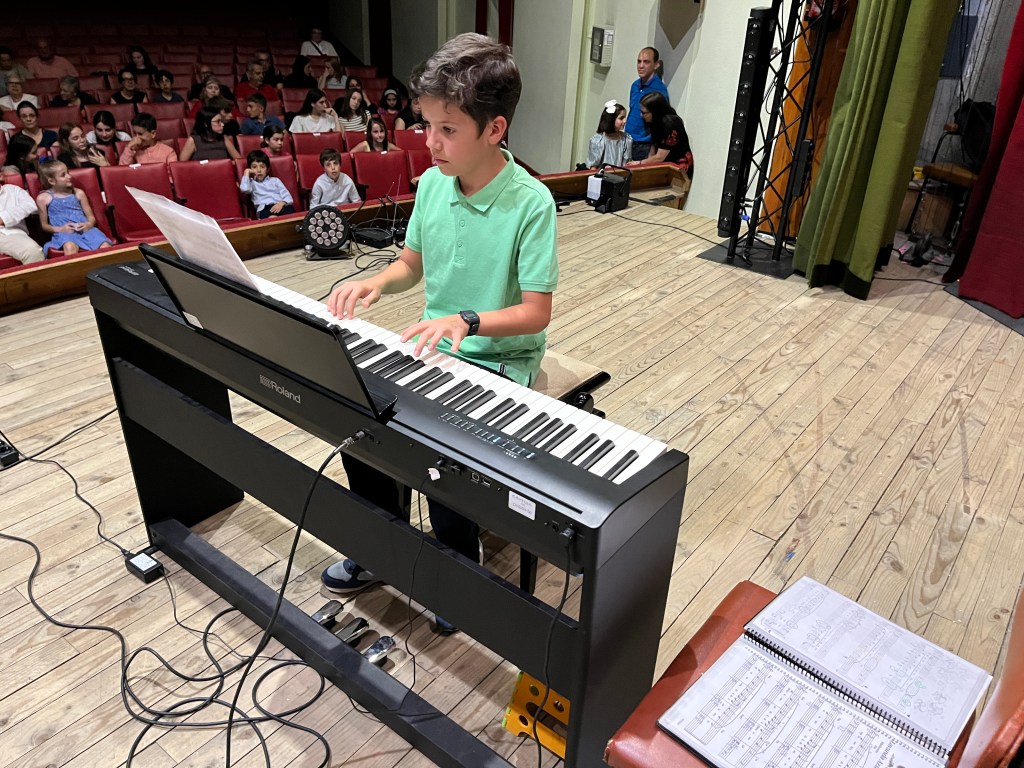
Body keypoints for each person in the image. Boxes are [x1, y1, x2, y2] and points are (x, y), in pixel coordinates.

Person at [320, 34, 558, 637]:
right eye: (426, 125)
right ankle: (380, 543)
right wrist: (376, 282)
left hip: (498, 358)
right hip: (436, 348)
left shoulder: (531, 203)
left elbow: (536, 313)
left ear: (495, 129)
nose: (430, 142)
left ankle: (456, 565)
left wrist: (466, 321)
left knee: (442, 444)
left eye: (447, 129)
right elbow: (411, 266)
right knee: (355, 408)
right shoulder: (431, 185)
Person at [36, 160, 113, 255]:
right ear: (52, 181)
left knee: (105, 245)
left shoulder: (79, 193)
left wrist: (88, 225)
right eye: (63, 175)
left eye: (68, 172)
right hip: (64, 233)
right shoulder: (43, 198)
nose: (69, 176)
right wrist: (60, 229)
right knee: (70, 247)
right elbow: (44, 225)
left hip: (85, 230)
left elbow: (91, 217)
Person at [625, 46, 670, 162]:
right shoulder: (635, 85)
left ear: (656, 65)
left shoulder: (659, 90)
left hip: (644, 144)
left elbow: (661, 120)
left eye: (646, 62)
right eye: (639, 61)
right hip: (628, 139)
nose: (641, 66)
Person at [633, 91, 692, 176]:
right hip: (665, 164)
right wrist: (646, 166)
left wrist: (640, 163)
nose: (641, 115)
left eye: (644, 113)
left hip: (679, 168)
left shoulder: (671, 124)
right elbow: (654, 147)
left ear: (655, 111)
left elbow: (660, 157)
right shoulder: (655, 122)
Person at [0, 172, 44, 264]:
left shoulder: (13, 190)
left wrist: (4, 218)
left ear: (0, 176)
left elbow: (30, 206)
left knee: (33, 252)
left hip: (12, 235)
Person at [239, 150, 294, 219]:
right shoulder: (251, 183)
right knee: (271, 217)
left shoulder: (275, 180)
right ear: (250, 169)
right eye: (254, 167)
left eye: (262, 167)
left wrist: (282, 203)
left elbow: (287, 196)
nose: (259, 170)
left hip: (280, 205)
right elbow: (245, 189)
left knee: (290, 211)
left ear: (267, 169)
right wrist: (246, 172)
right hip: (264, 208)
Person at [585, 100, 632, 168]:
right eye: (621, 118)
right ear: (611, 119)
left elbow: (627, 165)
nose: (625, 121)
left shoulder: (626, 139)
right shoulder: (598, 141)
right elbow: (593, 167)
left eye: (625, 117)